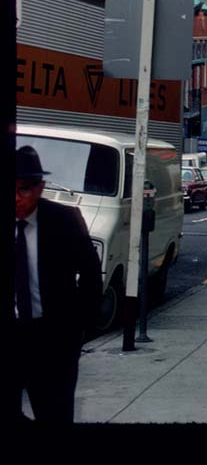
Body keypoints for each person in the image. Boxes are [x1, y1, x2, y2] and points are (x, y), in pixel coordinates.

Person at [13, 144, 103, 424]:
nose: (15, 198)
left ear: (40, 187)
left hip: (51, 339)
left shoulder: (64, 221)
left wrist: (76, 333)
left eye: (24, 189)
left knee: (55, 414)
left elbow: (90, 276)